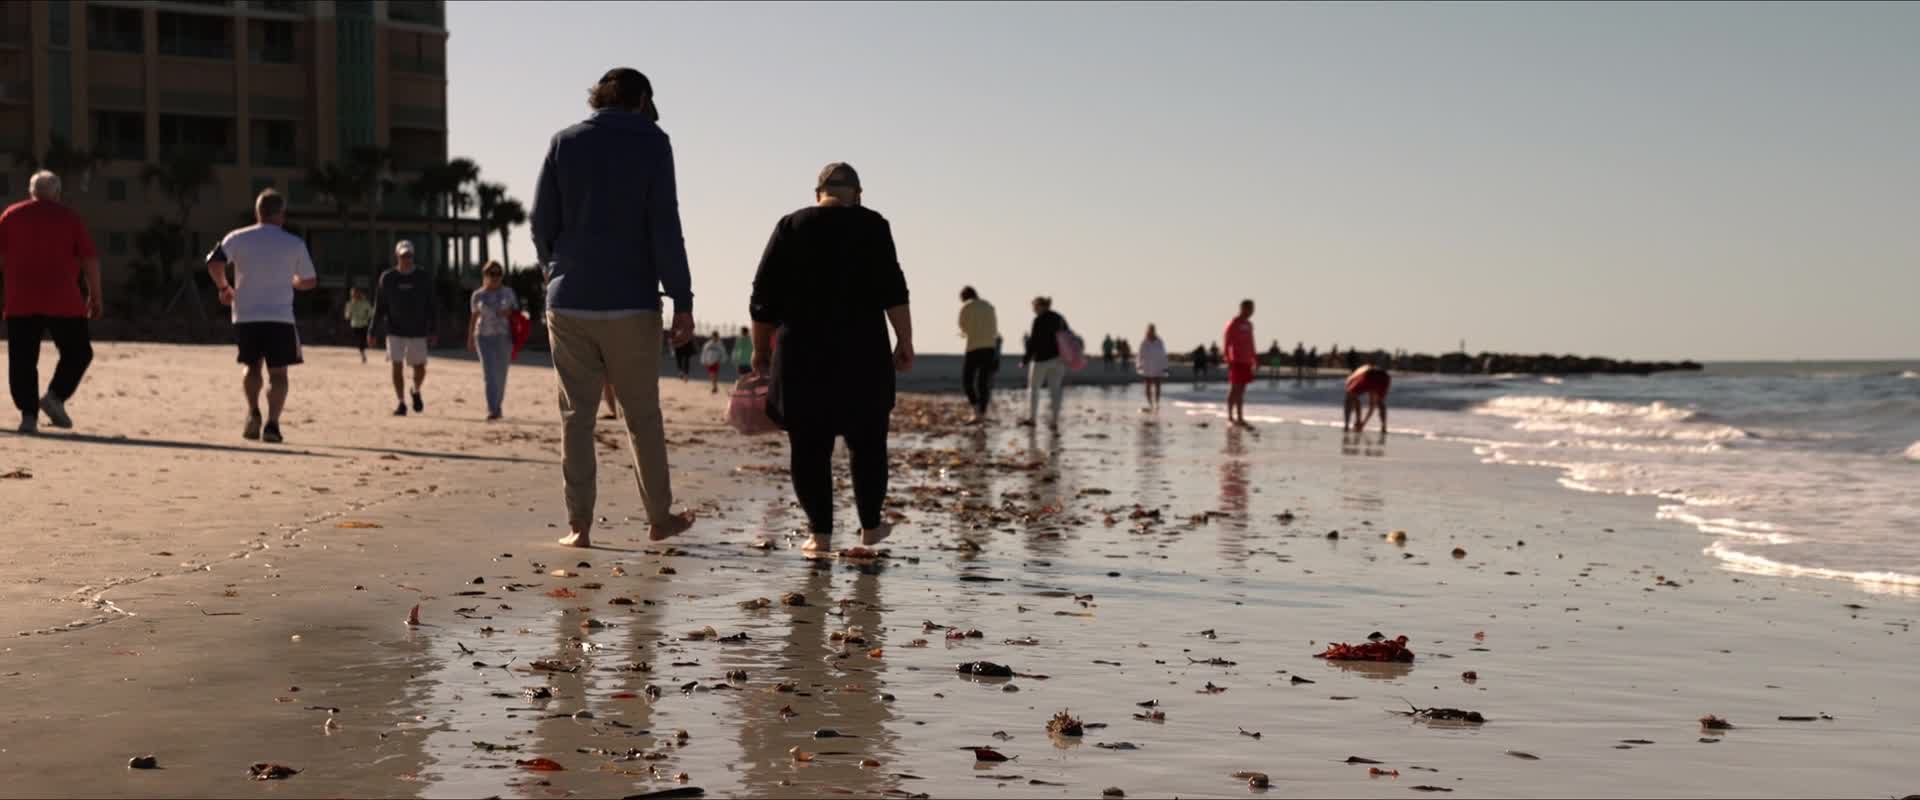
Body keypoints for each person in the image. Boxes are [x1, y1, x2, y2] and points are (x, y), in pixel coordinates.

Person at [532, 66, 698, 548]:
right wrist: (682, 299)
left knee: (576, 416)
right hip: (632, 301)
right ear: (642, 100)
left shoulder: (564, 142)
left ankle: (579, 526)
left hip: (570, 299)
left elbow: (541, 221)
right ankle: (659, 517)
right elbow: (665, 225)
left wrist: (553, 268)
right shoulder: (653, 142)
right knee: (642, 415)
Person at [748, 161, 912, 554]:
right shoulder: (872, 225)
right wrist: (904, 340)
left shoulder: (791, 226)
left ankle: (819, 535)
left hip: (802, 355)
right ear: (858, 194)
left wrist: (760, 349)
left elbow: (762, 296)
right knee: (868, 444)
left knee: (809, 447)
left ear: (817, 193)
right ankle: (870, 527)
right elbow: (893, 288)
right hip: (863, 354)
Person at [205, 189, 317, 443]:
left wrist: (224, 287)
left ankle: (253, 411)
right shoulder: (293, 243)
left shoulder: (238, 237)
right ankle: (272, 425)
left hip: (246, 316)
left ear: (258, 212)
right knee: (278, 374)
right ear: (282, 214)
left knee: (252, 366)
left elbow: (214, 262)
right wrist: (294, 281)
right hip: (280, 317)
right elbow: (309, 280)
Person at [1, 170, 100, 434]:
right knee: (79, 352)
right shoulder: (69, 218)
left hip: (21, 299)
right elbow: (89, 260)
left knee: (22, 360)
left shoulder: (11, 215)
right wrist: (95, 295)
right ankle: (55, 396)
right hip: (63, 300)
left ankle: (28, 416)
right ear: (57, 193)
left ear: (31, 192)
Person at [369, 240, 436, 416]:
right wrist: (372, 331)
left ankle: (415, 390)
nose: (406, 259)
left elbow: (431, 305)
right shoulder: (387, 278)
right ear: (397, 256)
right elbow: (379, 306)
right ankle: (401, 402)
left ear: (413, 256)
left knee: (420, 367)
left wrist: (433, 330)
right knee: (396, 365)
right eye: (403, 256)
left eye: (409, 256)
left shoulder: (422, 277)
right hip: (394, 329)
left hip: (418, 330)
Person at [468, 260, 519, 420]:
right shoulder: (478, 295)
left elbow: (517, 312)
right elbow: (473, 317)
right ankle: (493, 409)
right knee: (489, 373)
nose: (495, 277)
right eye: (492, 273)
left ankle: (498, 405)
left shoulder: (508, 293)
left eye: (498, 273)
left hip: (504, 337)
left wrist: (508, 312)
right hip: (483, 337)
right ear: (485, 275)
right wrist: (470, 338)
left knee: (501, 374)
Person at [1019, 296, 1071, 428]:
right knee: (1055, 390)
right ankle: (1054, 421)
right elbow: (1068, 336)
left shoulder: (1039, 320)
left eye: (1035, 307)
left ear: (1041, 306)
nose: (1033, 309)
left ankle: (1032, 419)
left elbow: (1034, 341)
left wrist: (1025, 360)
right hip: (1058, 360)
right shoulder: (1059, 318)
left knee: (1034, 389)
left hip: (1041, 359)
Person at [957, 285, 998, 423]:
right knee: (983, 382)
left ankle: (976, 411)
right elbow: (994, 328)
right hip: (990, 347)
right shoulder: (989, 306)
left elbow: (962, 326)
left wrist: (969, 331)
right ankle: (983, 413)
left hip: (973, 347)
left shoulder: (967, 307)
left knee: (967, 381)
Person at [1222, 299, 1256, 426]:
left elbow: (1251, 342)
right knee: (1234, 388)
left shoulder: (1249, 324)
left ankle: (1240, 417)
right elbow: (1227, 341)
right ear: (1243, 308)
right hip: (1236, 360)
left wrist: (1254, 358)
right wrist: (1227, 357)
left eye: (1252, 309)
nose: (1251, 312)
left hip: (1247, 361)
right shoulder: (1234, 323)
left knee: (1242, 390)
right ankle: (1230, 416)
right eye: (1249, 309)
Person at [1344, 363, 1392, 434]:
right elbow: (1372, 406)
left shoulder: (1350, 381)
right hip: (1385, 377)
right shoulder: (1358, 375)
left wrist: (1359, 420)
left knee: (1349, 398)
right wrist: (1363, 423)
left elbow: (1355, 400)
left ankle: (1347, 425)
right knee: (1379, 402)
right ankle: (1384, 427)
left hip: (1369, 374)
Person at [1137, 324, 1168, 412]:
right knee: (1147, 387)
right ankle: (1150, 404)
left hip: (1157, 366)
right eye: (1150, 330)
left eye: (1152, 330)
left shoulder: (1159, 341)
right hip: (1147, 367)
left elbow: (1163, 354)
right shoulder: (1144, 342)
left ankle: (1157, 403)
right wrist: (1139, 365)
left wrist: (1165, 367)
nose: (1151, 332)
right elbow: (1140, 354)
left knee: (1158, 386)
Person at [344, 287, 374, 363]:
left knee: (362, 340)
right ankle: (363, 354)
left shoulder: (365, 302)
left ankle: (363, 353)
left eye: (355, 294)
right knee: (359, 340)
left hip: (364, 324)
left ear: (358, 294)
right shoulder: (350, 304)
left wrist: (366, 317)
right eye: (352, 294)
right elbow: (347, 316)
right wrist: (349, 315)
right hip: (355, 324)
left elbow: (371, 312)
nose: (353, 295)